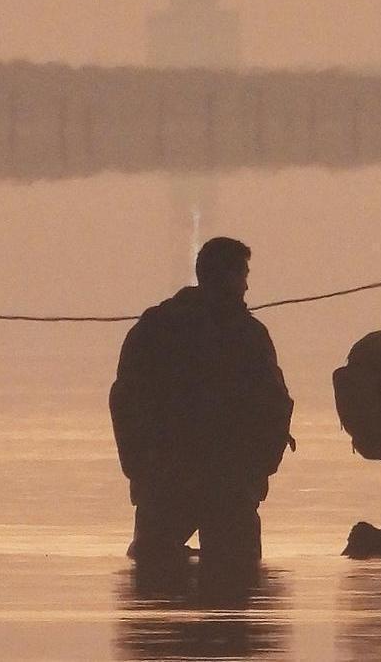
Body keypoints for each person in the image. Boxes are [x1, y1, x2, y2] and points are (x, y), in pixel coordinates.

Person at [110, 237, 294, 566]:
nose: (247, 286)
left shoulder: (151, 330)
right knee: (236, 587)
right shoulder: (248, 336)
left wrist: (141, 472)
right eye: (244, 275)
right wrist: (258, 471)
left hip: (164, 482)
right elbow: (274, 406)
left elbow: (124, 403)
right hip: (228, 485)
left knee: (154, 590)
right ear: (229, 277)